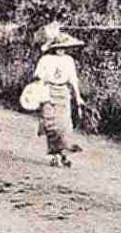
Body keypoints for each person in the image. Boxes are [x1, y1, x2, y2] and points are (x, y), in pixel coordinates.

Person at [33, 31, 85, 167]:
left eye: (64, 47)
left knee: (63, 125)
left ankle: (64, 154)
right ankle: (55, 154)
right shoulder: (45, 60)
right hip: (48, 91)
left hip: (63, 93)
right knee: (51, 125)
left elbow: (73, 80)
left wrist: (78, 97)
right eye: (59, 47)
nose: (61, 50)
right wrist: (37, 92)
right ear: (53, 48)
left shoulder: (69, 60)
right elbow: (38, 78)